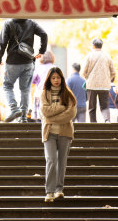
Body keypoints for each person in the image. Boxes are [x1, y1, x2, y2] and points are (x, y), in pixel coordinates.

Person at [0, 18, 48, 123]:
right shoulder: (31, 23)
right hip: (28, 62)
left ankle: (14, 109)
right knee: (25, 89)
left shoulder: (8, 23)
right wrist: (42, 51)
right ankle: (23, 117)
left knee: (7, 86)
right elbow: (44, 34)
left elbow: (2, 43)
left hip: (12, 62)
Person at [40, 67, 77, 203]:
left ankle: (59, 190)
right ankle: (49, 191)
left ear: (62, 78)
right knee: (51, 160)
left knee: (62, 162)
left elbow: (71, 114)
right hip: (49, 132)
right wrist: (61, 108)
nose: (56, 80)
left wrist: (52, 116)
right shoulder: (44, 93)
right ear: (49, 79)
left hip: (65, 132)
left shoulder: (68, 93)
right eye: (53, 78)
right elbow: (45, 111)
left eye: (58, 77)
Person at [82, 38, 115, 123]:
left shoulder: (89, 56)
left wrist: (88, 78)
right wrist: (108, 79)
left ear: (93, 45)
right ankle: (107, 120)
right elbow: (113, 72)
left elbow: (83, 72)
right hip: (104, 85)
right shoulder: (107, 56)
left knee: (91, 107)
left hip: (92, 85)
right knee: (105, 106)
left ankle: (93, 124)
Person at [32, 50, 55, 122]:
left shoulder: (38, 68)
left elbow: (32, 80)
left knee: (40, 116)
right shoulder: (55, 68)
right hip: (53, 94)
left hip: (40, 94)